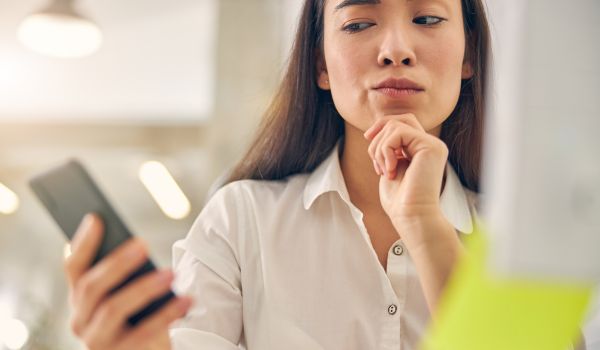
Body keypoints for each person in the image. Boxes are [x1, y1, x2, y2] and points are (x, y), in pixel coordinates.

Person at [63, 0, 491, 349]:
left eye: (428, 19)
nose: (396, 50)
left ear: (468, 55)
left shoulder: (516, 236)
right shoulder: (240, 218)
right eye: (359, 24)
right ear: (321, 65)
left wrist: (424, 224)